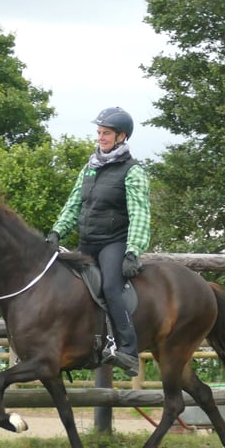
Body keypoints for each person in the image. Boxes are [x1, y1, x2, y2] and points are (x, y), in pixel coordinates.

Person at [46, 107, 151, 377]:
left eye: (106, 133)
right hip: (87, 240)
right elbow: (74, 204)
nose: (100, 137)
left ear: (121, 136)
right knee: (71, 287)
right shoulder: (90, 168)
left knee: (111, 287)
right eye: (99, 133)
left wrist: (133, 251)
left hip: (113, 243)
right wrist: (57, 231)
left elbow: (140, 214)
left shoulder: (133, 171)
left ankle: (128, 350)